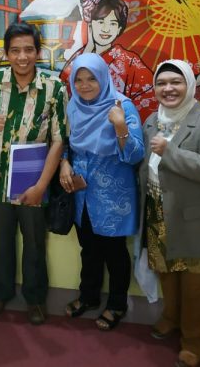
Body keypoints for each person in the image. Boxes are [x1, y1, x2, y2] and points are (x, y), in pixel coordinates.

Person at [0, 22, 68, 325]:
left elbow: (59, 140)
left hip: (34, 183)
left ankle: (35, 298)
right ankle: (0, 293)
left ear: (38, 52)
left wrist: (41, 186)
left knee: (35, 244)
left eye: (28, 50)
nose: (22, 57)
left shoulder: (54, 87)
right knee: (1, 243)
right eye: (15, 51)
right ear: (6, 53)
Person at [139, 59, 200, 367]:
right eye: (161, 83)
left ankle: (195, 342)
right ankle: (171, 317)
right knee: (166, 271)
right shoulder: (152, 120)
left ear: (190, 84)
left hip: (195, 219)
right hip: (158, 209)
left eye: (176, 82)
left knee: (196, 283)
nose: (168, 89)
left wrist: (171, 152)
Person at [58, 52, 144, 330]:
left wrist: (120, 125)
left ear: (104, 78)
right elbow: (67, 143)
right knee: (89, 250)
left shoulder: (122, 105)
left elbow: (135, 155)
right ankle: (89, 296)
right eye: (79, 79)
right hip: (82, 193)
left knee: (115, 254)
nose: (84, 85)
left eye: (91, 79)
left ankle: (117, 304)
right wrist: (64, 162)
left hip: (113, 196)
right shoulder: (73, 106)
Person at [59, 0, 200, 121]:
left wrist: (193, 82)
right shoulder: (77, 59)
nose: (106, 29)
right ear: (91, 24)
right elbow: (65, 95)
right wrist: (89, 48)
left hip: (116, 133)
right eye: (100, 22)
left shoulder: (129, 61)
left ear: (120, 28)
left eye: (113, 23)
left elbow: (150, 97)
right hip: (78, 133)